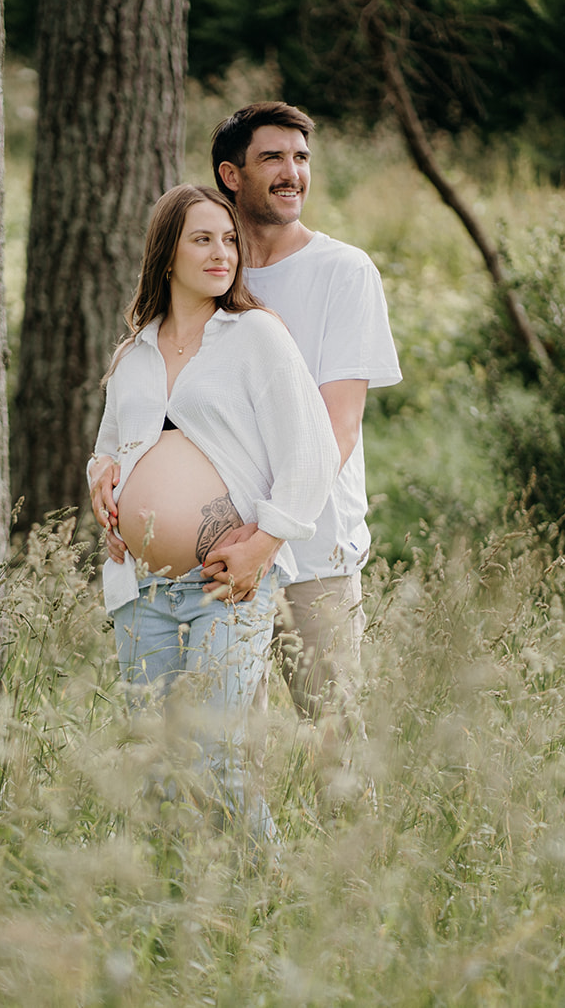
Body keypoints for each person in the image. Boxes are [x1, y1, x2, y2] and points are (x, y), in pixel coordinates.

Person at [87, 183, 338, 840]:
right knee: (160, 770)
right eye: (203, 238)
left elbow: (310, 451)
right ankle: (181, 918)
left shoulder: (254, 336)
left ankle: (267, 903)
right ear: (167, 254)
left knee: (216, 757)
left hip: (226, 586)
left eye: (229, 239)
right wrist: (101, 479)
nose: (222, 252)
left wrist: (265, 544)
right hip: (140, 590)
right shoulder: (135, 349)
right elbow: (108, 449)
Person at [207, 102, 402, 763]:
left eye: (301, 158)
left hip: (314, 552)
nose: (293, 172)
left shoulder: (343, 273)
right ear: (232, 175)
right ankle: (237, 869)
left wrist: (268, 539)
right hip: (218, 552)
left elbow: (337, 429)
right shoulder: (207, 271)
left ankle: (354, 871)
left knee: (337, 749)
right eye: (274, 158)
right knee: (229, 750)